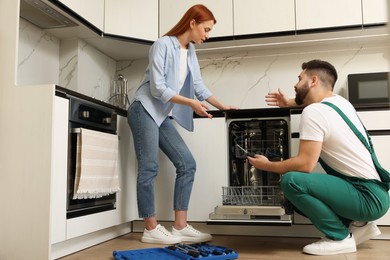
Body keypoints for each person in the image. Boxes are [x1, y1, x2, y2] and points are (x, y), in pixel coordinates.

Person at [248, 59, 390, 256]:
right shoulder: (340, 103)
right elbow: (314, 102)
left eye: (299, 79)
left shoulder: (314, 112)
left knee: (292, 181)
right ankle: (359, 224)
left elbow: (305, 165)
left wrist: (268, 165)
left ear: (313, 80)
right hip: (376, 193)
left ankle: (339, 237)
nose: (295, 85)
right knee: (305, 184)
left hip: (366, 197)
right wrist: (289, 102)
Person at [127, 4, 239, 245]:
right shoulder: (162, 44)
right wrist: (190, 103)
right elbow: (157, 88)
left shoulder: (190, 51)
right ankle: (150, 228)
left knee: (187, 164)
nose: (207, 36)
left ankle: (179, 226)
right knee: (149, 167)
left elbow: (198, 85)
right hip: (144, 108)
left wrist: (223, 106)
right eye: (206, 29)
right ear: (192, 23)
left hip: (161, 115)